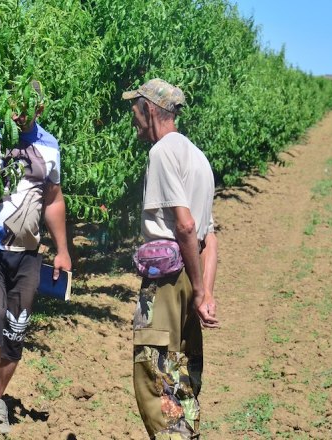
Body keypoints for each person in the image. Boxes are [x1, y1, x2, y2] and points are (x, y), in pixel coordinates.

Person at [0, 80, 72, 434]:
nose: (19, 112)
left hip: (27, 252)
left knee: (16, 327)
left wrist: (62, 249)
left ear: (39, 109)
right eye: (15, 104)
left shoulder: (48, 145)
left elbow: (53, 200)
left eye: (29, 107)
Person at [122, 78, 219, 438]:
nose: (133, 118)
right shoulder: (198, 157)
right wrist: (204, 293)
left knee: (155, 375)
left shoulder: (162, 152)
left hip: (168, 281)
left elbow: (185, 224)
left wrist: (196, 290)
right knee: (183, 376)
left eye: (135, 110)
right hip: (191, 277)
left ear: (149, 109)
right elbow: (210, 238)